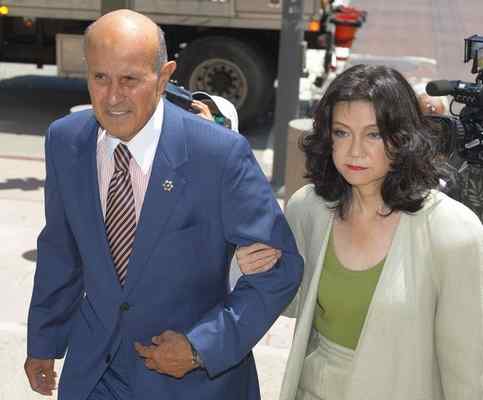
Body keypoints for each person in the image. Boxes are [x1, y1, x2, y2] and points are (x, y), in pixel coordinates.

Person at [24, 9, 303, 400]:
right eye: (100, 77)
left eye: (129, 80)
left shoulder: (218, 154)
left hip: (191, 383)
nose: (113, 97)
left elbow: (281, 269)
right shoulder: (65, 141)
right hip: (95, 375)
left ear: (164, 77)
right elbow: (60, 249)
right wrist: (44, 340)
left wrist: (201, 347)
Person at [237, 64, 483, 400]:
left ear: (403, 137)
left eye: (373, 134)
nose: (355, 150)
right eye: (341, 132)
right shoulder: (308, 208)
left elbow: (468, 373)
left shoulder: (453, 231)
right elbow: (292, 302)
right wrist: (255, 267)